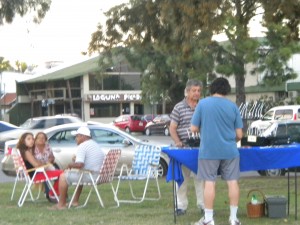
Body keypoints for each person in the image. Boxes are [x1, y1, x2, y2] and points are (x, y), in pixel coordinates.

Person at [190, 77, 243, 225]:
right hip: (230, 150)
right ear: (227, 89)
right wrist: (232, 141)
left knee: (209, 183)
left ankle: (208, 219)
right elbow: (239, 134)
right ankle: (233, 218)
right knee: (232, 182)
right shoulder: (233, 107)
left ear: (212, 88)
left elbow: (193, 128)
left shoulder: (203, 104)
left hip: (208, 150)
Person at [169, 79, 204, 215]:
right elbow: (172, 128)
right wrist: (178, 142)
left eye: (199, 91)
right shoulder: (178, 107)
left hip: (200, 148)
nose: (197, 93)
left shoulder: (203, 106)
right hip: (183, 149)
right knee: (182, 179)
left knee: (201, 178)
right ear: (187, 91)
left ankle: (203, 205)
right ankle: (181, 207)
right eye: (194, 90)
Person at [50, 126, 105, 210]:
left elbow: (79, 165)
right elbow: (86, 162)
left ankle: (61, 204)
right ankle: (74, 201)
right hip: (100, 176)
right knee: (79, 174)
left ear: (83, 136)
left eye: (77, 136)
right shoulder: (94, 144)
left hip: (92, 176)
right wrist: (76, 162)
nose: (76, 138)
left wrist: (70, 165)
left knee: (63, 177)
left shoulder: (82, 146)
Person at [17, 132, 61, 202]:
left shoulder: (26, 151)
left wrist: (43, 163)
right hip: (36, 175)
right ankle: (52, 194)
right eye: (28, 139)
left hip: (36, 173)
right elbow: (36, 165)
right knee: (61, 174)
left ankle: (53, 193)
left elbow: (38, 163)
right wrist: (45, 163)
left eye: (32, 139)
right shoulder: (26, 152)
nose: (31, 140)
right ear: (23, 141)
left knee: (60, 172)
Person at [34, 132, 56, 201]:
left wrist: (50, 160)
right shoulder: (33, 148)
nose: (41, 139)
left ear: (45, 139)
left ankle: (57, 192)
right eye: (39, 138)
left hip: (48, 165)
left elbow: (52, 157)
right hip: (38, 169)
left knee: (59, 173)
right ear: (36, 139)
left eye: (43, 138)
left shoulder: (47, 146)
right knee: (45, 174)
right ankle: (48, 193)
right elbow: (33, 161)